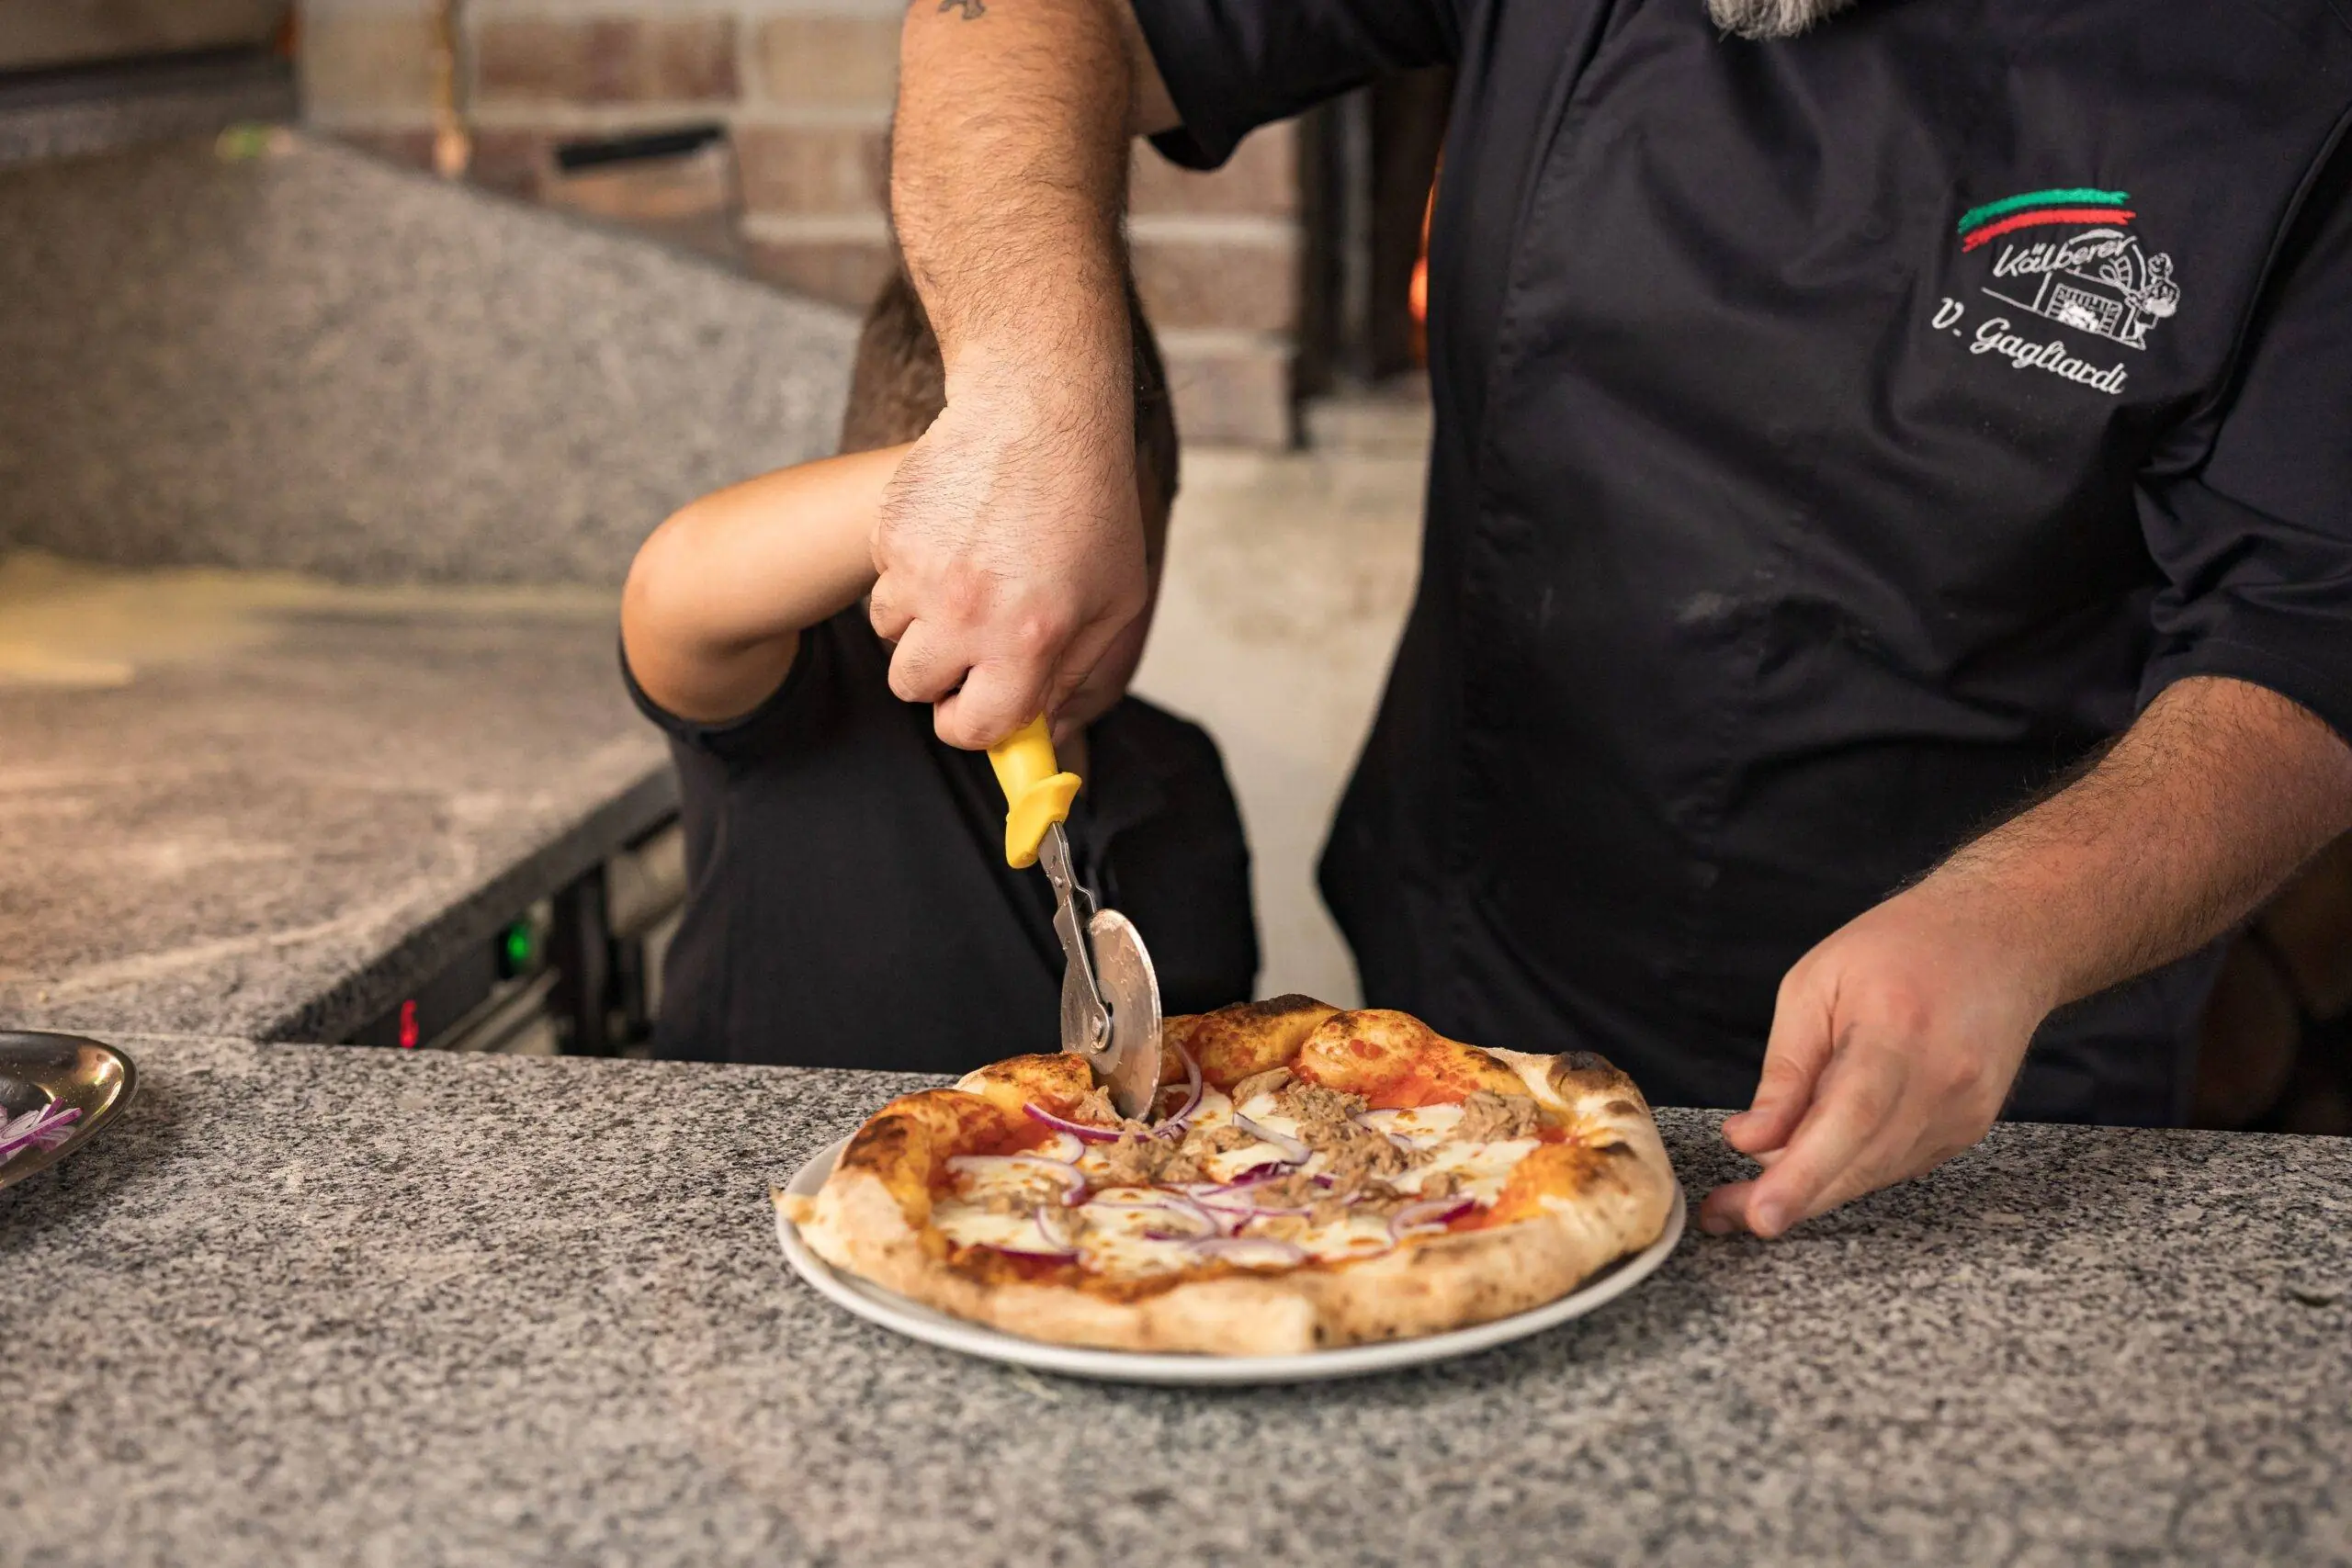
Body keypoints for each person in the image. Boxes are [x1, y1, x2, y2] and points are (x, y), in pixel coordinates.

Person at [865, 0, 2352, 1234]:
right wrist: (1033, 397)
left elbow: (2310, 630)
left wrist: (2021, 922)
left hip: (1985, 1079)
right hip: (1475, 1012)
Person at [619, 269, 1258, 1072]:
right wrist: (1000, 468)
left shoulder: (1182, 773)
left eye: (1096, 579)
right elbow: (670, 594)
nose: (1039, 631)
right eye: (983, 581)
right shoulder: (805, 702)